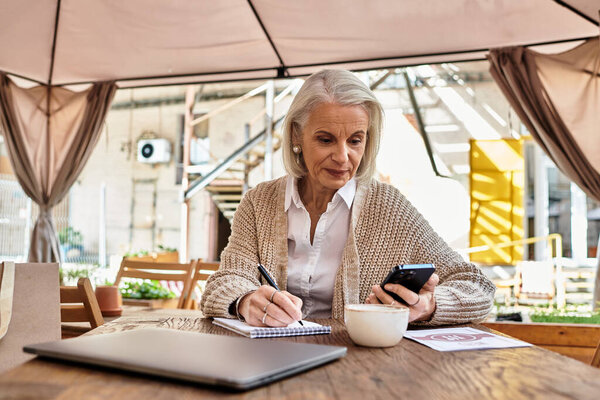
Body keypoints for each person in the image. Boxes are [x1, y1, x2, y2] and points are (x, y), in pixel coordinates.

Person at [201, 69, 495, 326]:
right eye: (325, 139)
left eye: (355, 140)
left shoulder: (389, 207)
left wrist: (429, 305)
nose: (343, 157)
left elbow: (476, 285)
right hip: (269, 362)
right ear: (295, 137)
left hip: (358, 370)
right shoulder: (259, 202)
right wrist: (246, 300)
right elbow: (224, 282)